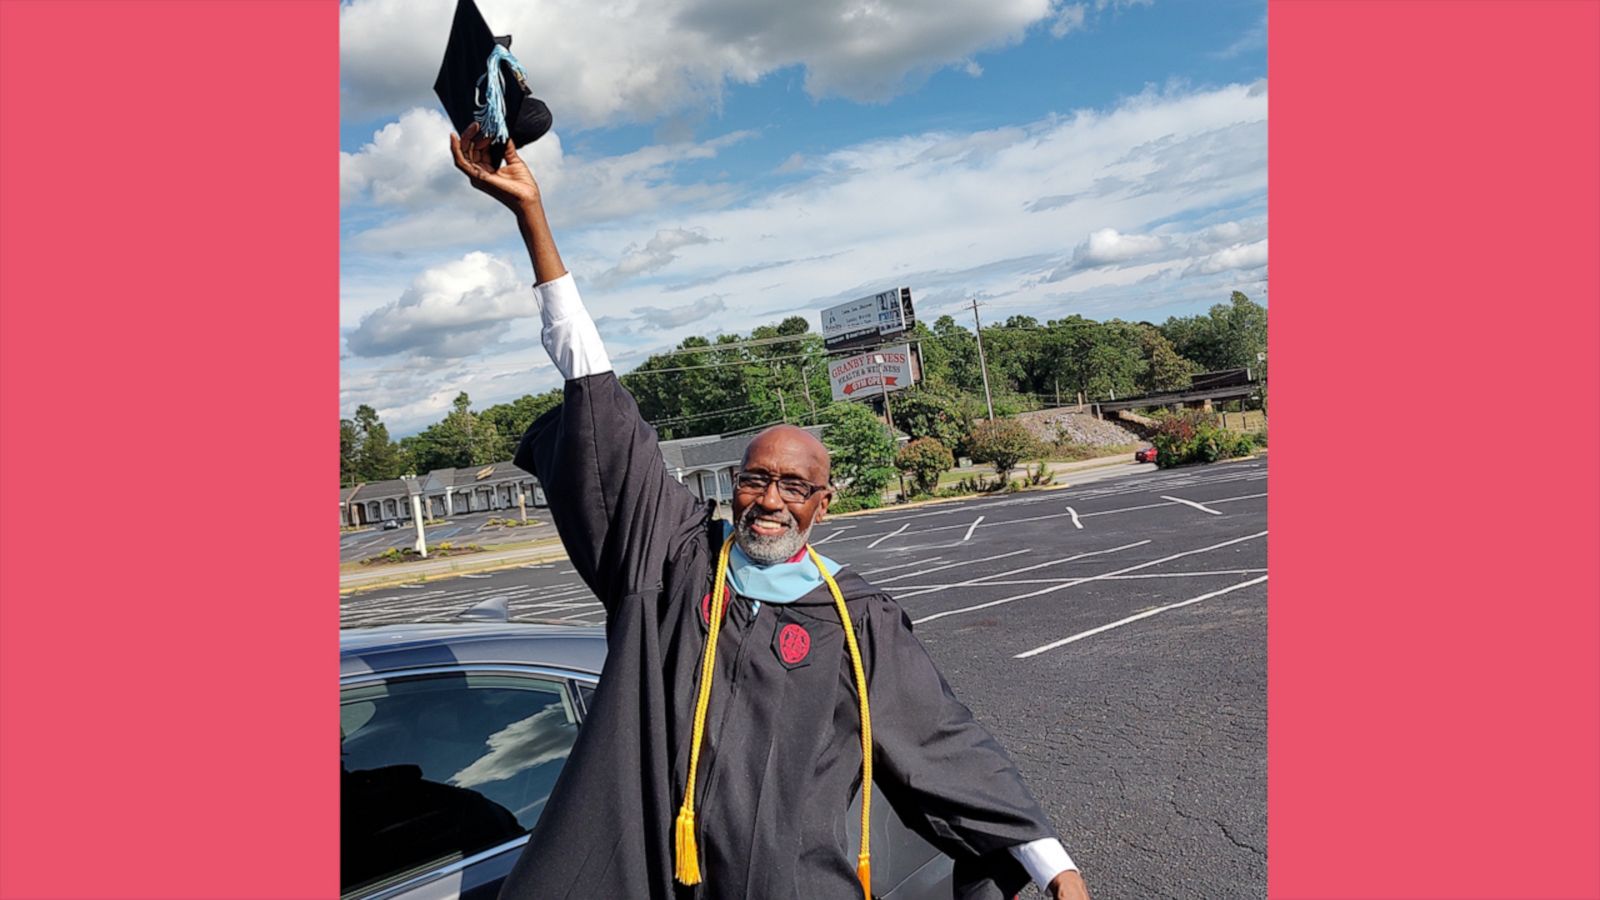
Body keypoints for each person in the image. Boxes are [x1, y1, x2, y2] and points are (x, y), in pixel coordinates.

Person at [449, 123, 1092, 900]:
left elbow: (939, 742)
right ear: (733, 485)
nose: (770, 501)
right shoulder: (678, 565)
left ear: (823, 503)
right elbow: (602, 410)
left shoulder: (857, 621)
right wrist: (533, 221)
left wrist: (1050, 863)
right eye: (757, 479)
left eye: (793, 487)